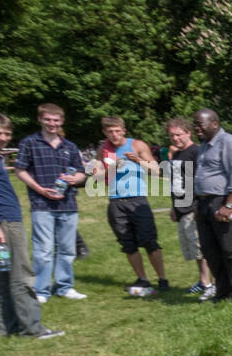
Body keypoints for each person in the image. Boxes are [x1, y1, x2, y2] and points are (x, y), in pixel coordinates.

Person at [0, 113, 63, 338]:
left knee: (3, 275)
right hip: (5, 223)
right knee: (22, 276)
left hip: (5, 221)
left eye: (7, 133)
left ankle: (5, 327)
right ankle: (32, 328)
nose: (3, 138)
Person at [13, 103, 88, 303]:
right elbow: (20, 170)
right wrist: (39, 189)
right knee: (43, 250)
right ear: (40, 119)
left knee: (67, 249)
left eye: (56, 120)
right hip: (41, 204)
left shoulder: (69, 146)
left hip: (68, 204)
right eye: (48, 119)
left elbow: (81, 172)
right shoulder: (29, 143)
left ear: (61, 121)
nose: (52, 124)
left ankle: (64, 287)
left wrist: (77, 179)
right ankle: (41, 290)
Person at [97, 116, 169, 297]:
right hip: (115, 201)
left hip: (137, 200)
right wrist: (109, 169)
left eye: (117, 131)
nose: (114, 135)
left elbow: (156, 170)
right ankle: (142, 278)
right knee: (127, 243)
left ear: (123, 130)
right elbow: (96, 176)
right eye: (109, 131)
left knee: (149, 241)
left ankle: (162, 279)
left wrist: (137, 160)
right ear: (105, 133)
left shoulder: (137, 145)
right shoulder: (103, 149)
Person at [192, 109, 232, 301]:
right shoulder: (204, 146)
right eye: (195, 124)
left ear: (215, 124)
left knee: (231, 249)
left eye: (200, 124)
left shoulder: (229, 143)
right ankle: (223, 291)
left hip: (224, 201)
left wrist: (229, 205)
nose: (196, 128)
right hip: (204, 203)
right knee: (211, 250)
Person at [165, 117, 215, 299]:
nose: (175, 138)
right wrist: (174, 206)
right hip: (181, 208)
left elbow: (200, 182)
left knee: (203, 249)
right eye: (172, 135)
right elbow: (177, 183)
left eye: (178, 134)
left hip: (193, 209)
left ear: (188, 133)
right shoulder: (177, 155)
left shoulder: (196, 152)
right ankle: (203, 281)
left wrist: (197, 208)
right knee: (195, 251)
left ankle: (214, 284)